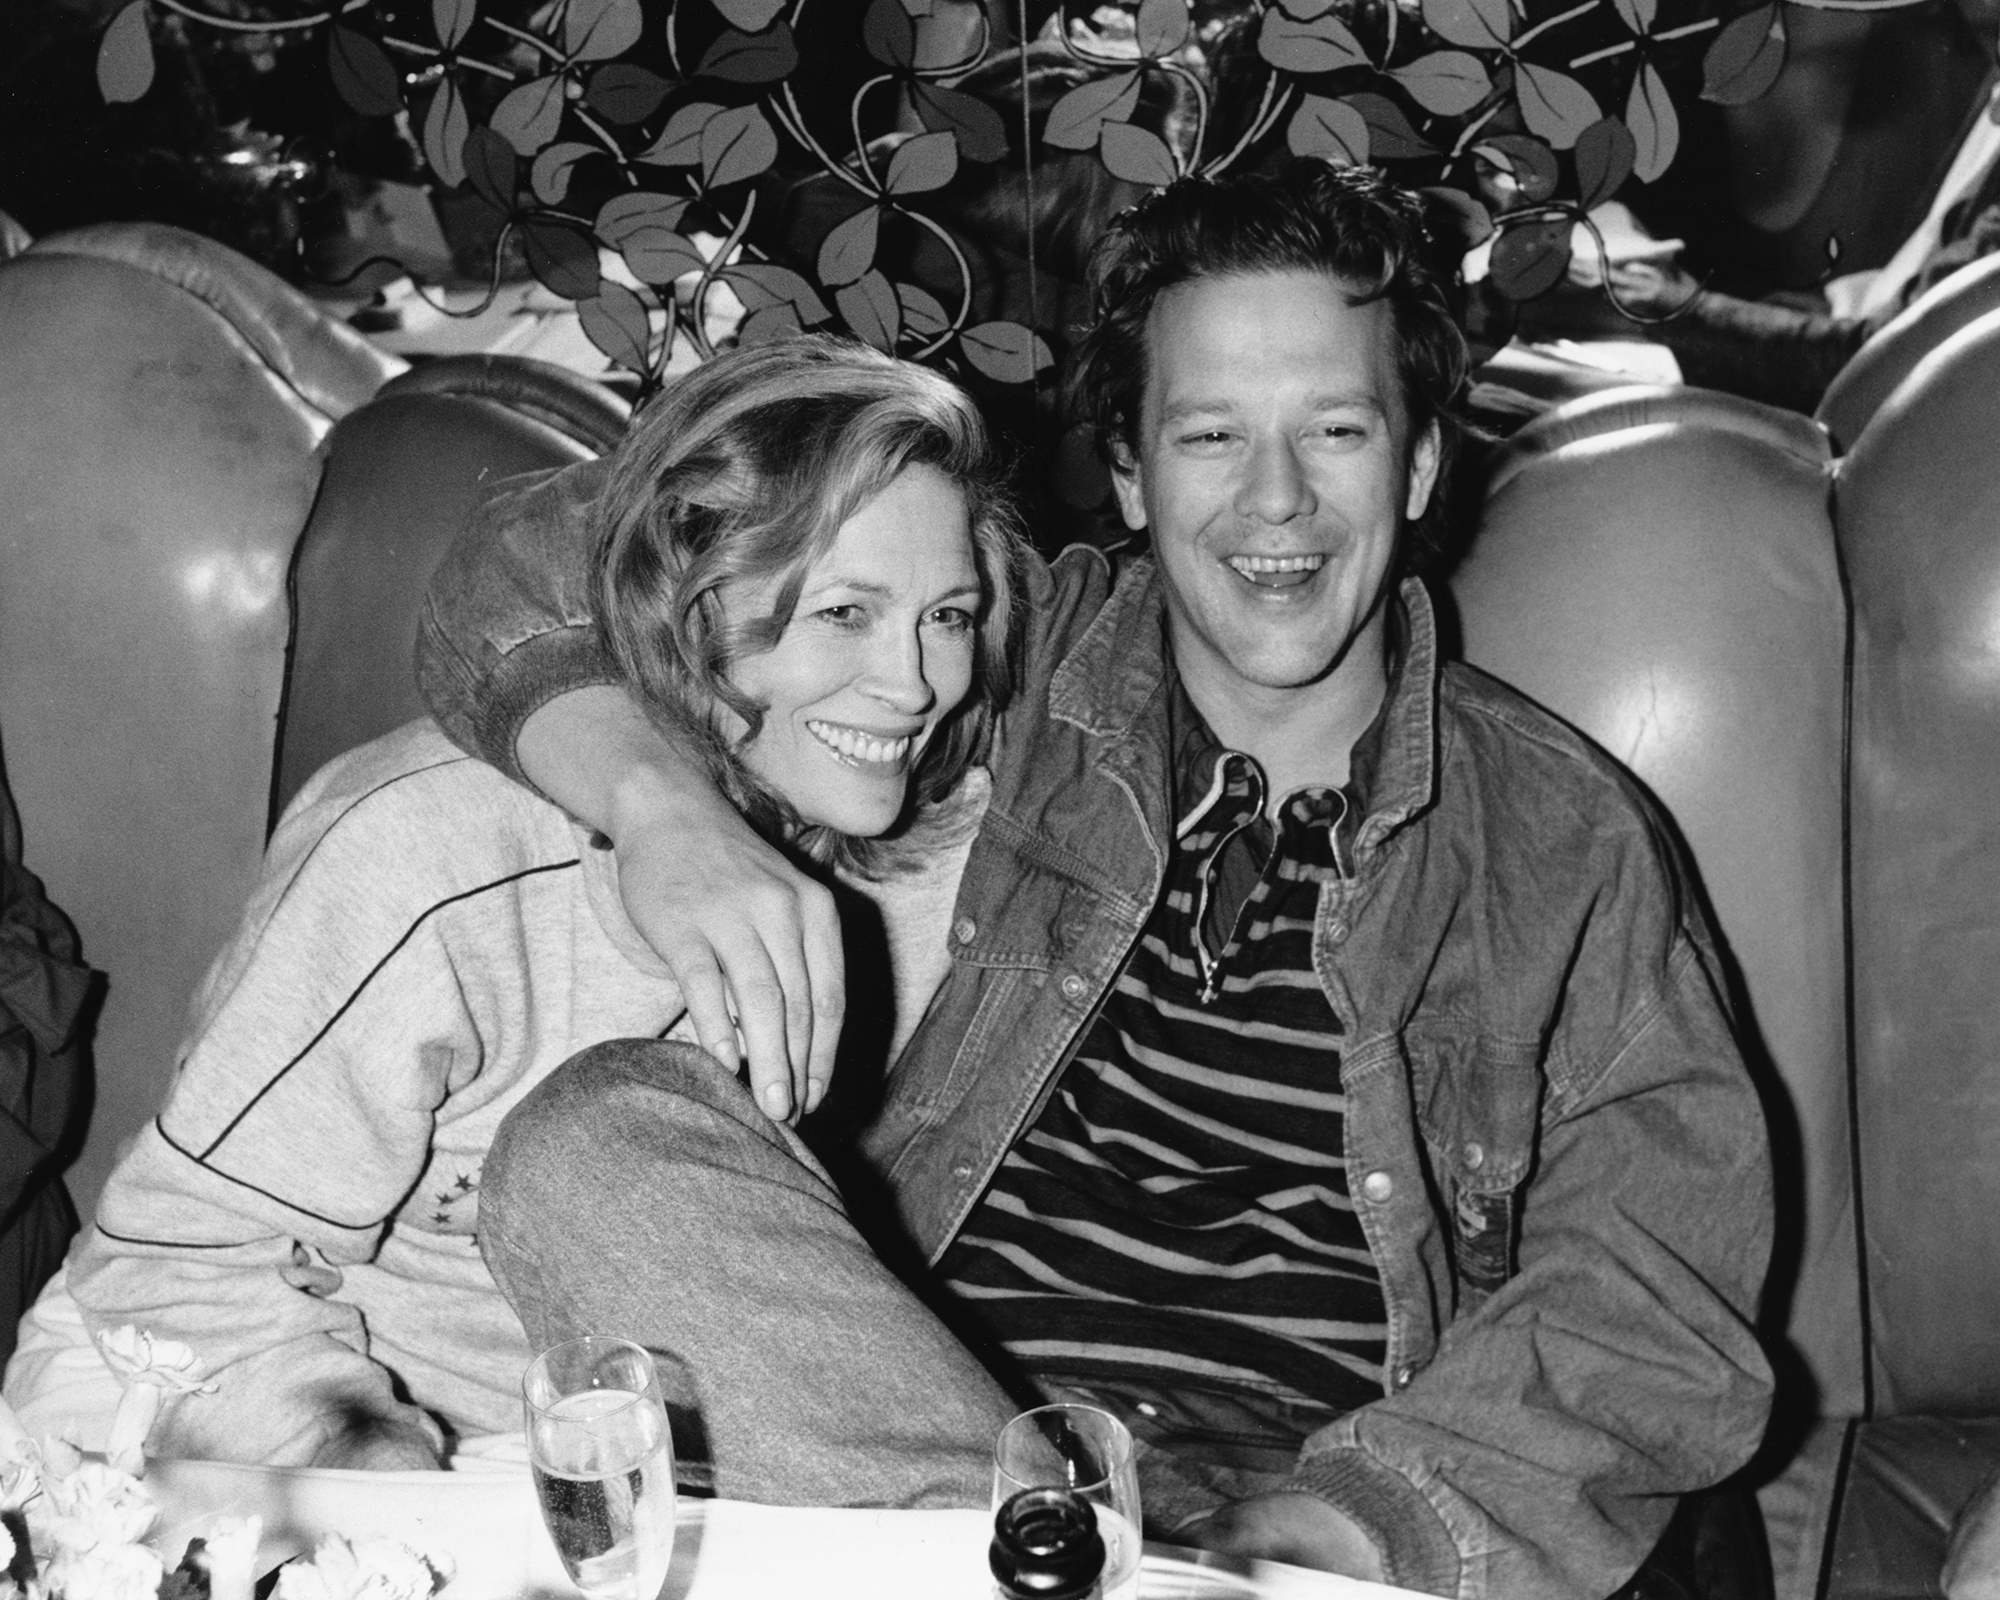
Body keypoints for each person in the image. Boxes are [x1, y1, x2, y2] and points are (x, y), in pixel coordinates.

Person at [417, 162, 1775, 1597]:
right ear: (1128, 472)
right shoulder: (1012, 650)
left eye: (1335, 429)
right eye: (1207, 435)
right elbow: (526, 561)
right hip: (926, 1451)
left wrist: (1354, 1521)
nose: (1276, 501)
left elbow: (1655, 1300)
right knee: (594, 1138)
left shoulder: (1561, 838)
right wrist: (658, 804)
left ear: (1420, 463)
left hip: (1297, 1512)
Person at [39, 336, 1027, 1475]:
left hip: (575, 1438)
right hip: (224, 1380)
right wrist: (382, 1492)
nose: (910, 684)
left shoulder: (913, 850)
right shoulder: (424, 846)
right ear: (685, 603)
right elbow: (171, 1266)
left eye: (945, 616)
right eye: (844, 612)